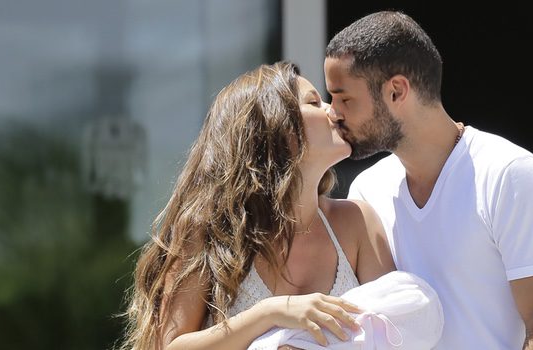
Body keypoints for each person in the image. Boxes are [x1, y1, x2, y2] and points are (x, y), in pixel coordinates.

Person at [324, 11, 533, 349]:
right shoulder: (366, 192)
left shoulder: (510, 175)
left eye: (344, 98)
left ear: (396, 91)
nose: (333, 112)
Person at [119, 62, 401, 350]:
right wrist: (269, 314)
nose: (334, 111)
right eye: (315, 102)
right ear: (274, 126)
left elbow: (401, 331)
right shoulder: (208, 230)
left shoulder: (357, 222)